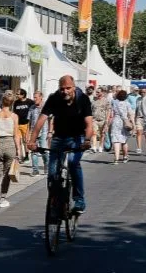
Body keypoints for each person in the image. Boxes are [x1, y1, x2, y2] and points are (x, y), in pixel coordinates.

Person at [28, 75, 94, 214]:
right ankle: (54, 201)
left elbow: (89, 123)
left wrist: (87, 141)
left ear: (74, 87)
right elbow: (41, 120)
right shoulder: (54, 98)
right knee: (52, 173)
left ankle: (79, 200)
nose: (65, 91)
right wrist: (32, 141)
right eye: (62, 88)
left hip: (77, 137)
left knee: (73, 163)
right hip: (59, 137)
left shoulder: (82, 99)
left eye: (68, 88)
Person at [0, 92, 23, 208]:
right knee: (7, 173)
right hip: (10, 143)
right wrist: (18, 149)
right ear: (12, 103)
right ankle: (2, 198)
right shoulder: (14, 116)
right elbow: (16, 134)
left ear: (2, 101)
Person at [28, 91, 50, 176]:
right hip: (34, 132)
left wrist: (50, 132)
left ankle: (47, 167)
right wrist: (28, 134)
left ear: (41, 97)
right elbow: (29, 122)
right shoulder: (32, 108)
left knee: (44, 151)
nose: (34, 99)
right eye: (34, 97)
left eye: (36, 97)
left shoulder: (46, 107)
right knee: (33, 151)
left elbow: (51, 119)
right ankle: (35, 170)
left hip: (44, 131)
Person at [110, 90, 134, 165]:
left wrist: (108, 123)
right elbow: (131, 114)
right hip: (125, 122)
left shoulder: (114, 103)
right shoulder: (127, 104)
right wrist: (133, 124)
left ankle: (116, 159)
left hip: (116, 121)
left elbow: (111, 114)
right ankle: (125, 157)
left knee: (116, 141)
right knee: (124, 140)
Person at [12, 89, 34, 162]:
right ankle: (20, 156)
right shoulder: (16, 102)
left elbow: (33, 112)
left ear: (23, 95)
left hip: (26, 124)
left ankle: (27, 156)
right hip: (17, 124)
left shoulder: (30, 102)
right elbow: (14, 112)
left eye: (18, 94)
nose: (16, 95)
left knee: (25, 141)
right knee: (18, 141)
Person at [91, 88, 110, 153]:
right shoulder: (93, 100)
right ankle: (94, 147)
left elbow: (108, 110)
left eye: (98, 92)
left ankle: (101, 147)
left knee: (102, 134)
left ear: (102, 92)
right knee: (94, 133)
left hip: (103, 120)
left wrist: (107, 120)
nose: (97, 93)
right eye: (96, 92)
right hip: (95, 120)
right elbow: (91, 110)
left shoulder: (106, 101)